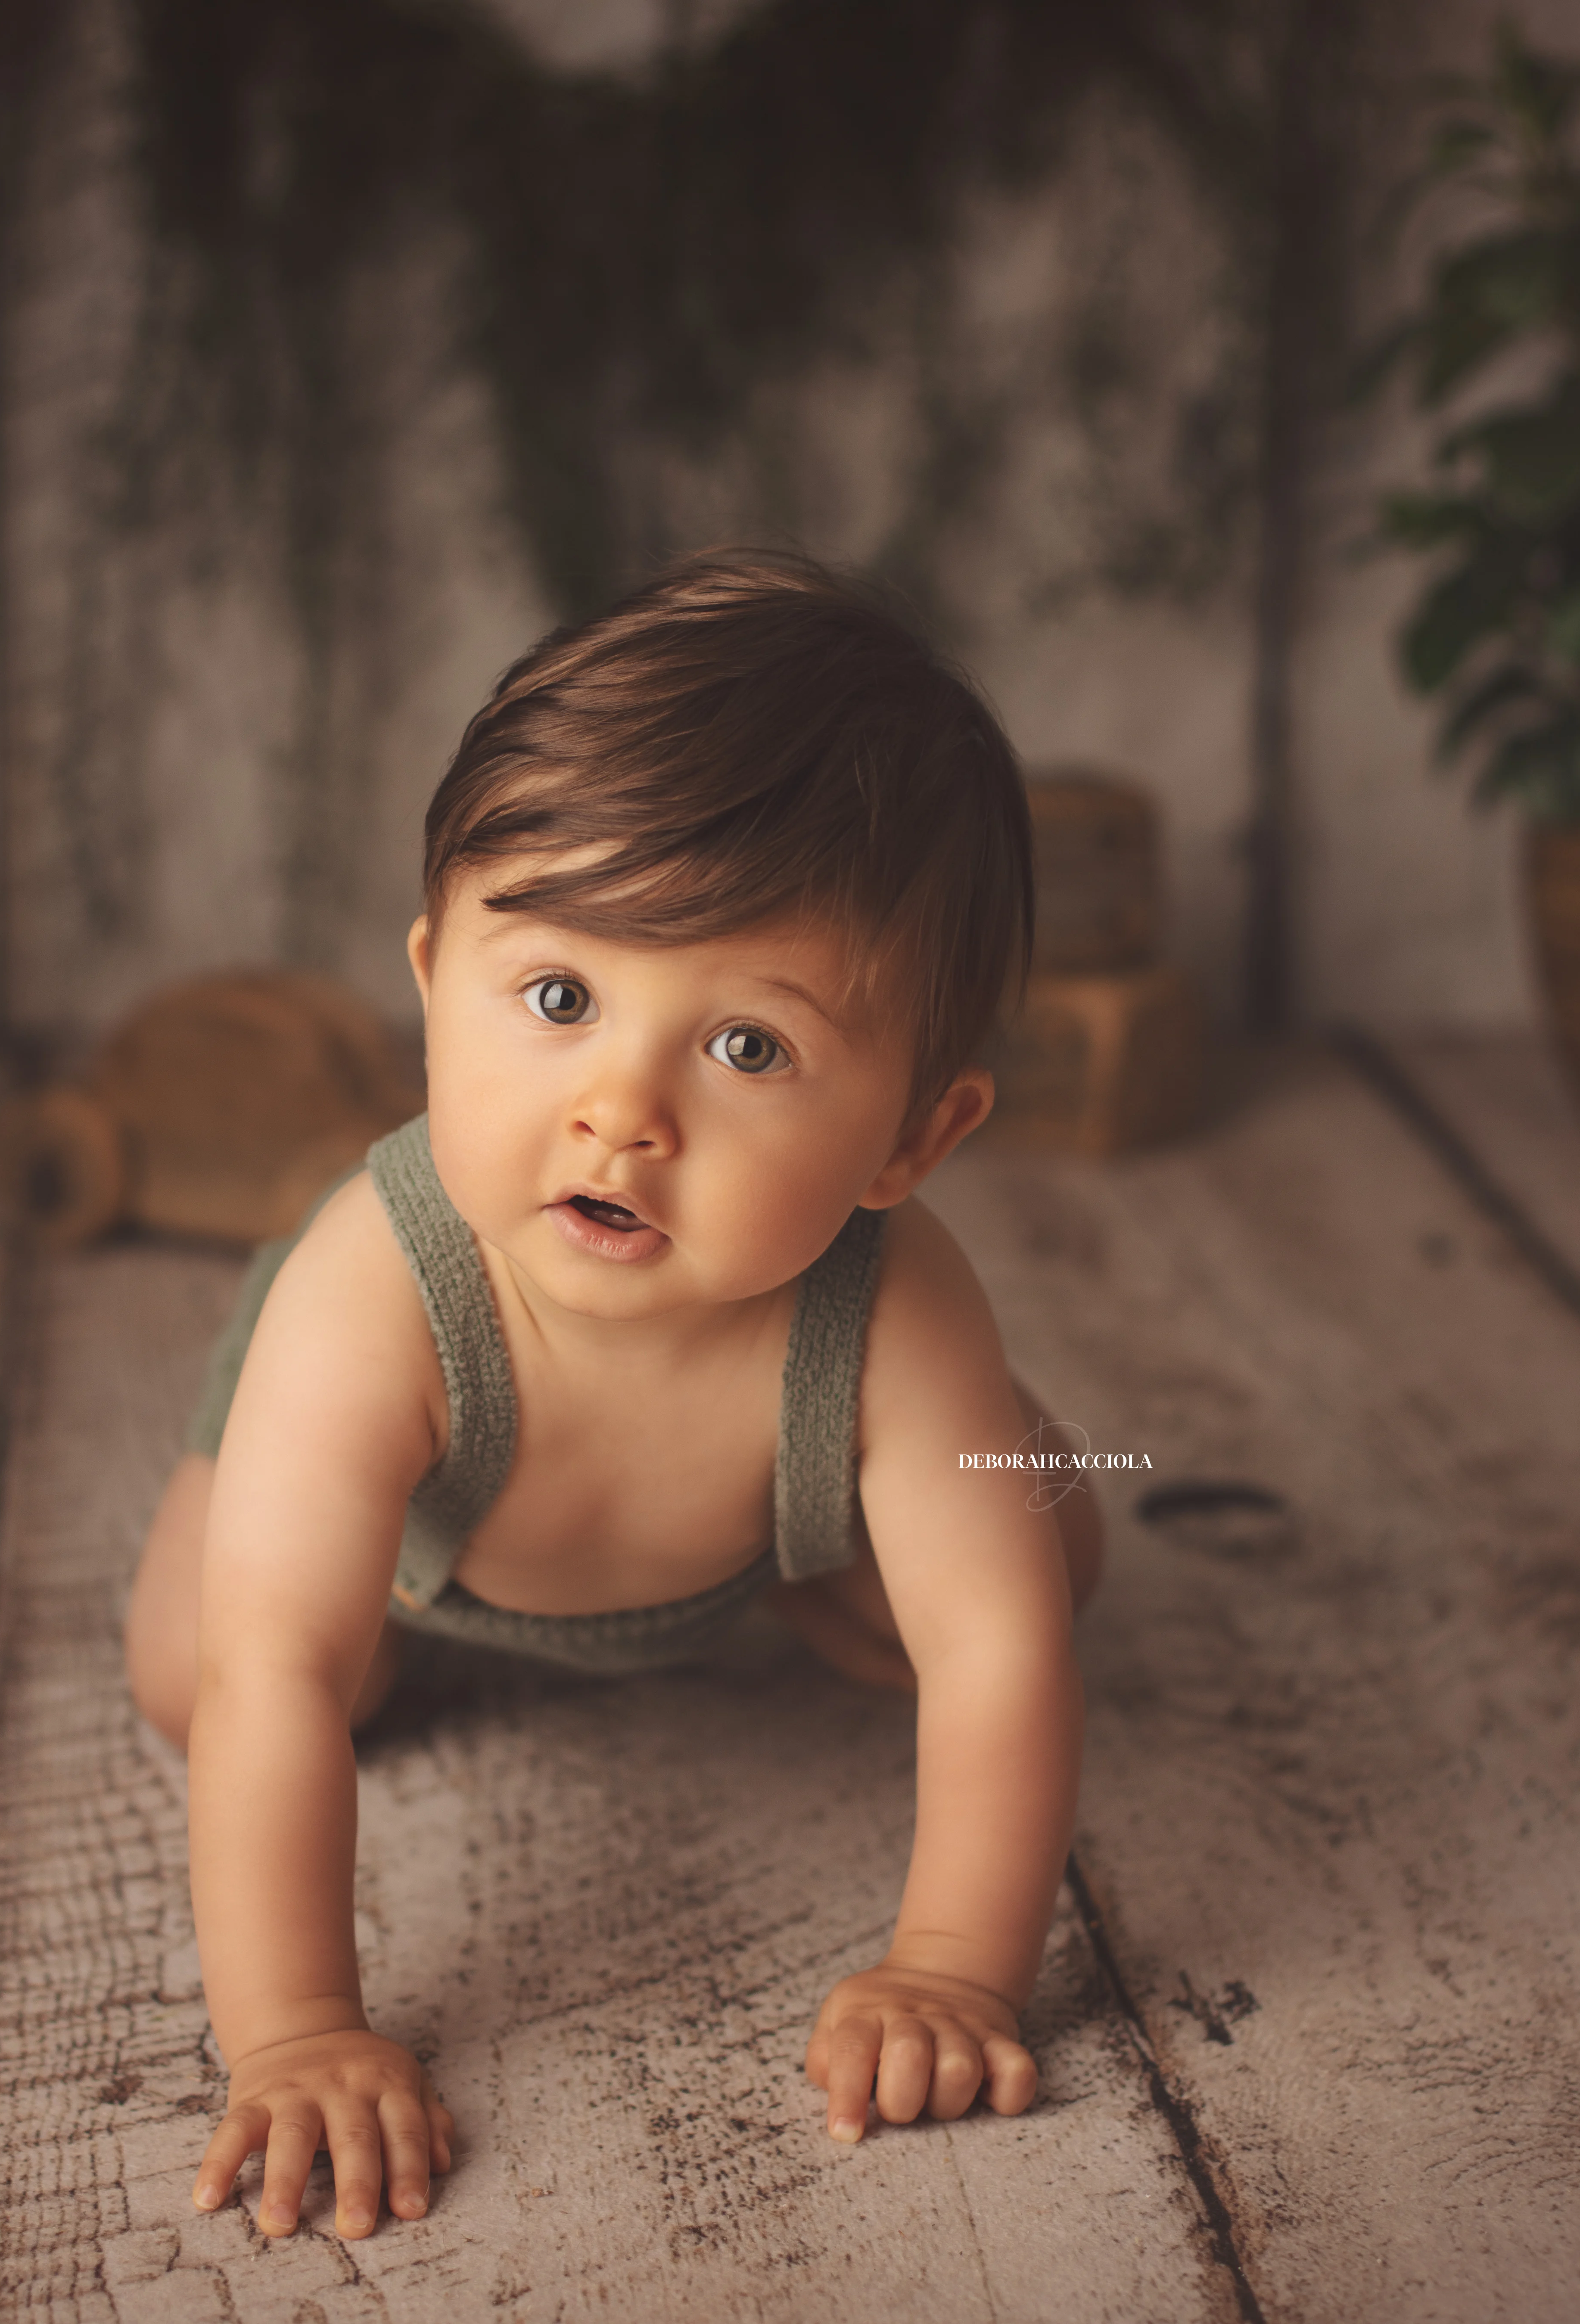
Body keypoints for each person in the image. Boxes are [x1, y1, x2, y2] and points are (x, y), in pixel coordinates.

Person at [121, 545, 1105, 2242]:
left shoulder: (896, 1298)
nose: (621, 1109)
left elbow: (1002, 1657)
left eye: (747, 1046)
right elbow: (268, 1665)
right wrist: (297, 2031)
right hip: (418, 1545)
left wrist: (953, 1966)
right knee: (211, 1669)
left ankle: (839, 1541)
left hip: (734, 1532)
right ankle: (375, 1576)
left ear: (910, 1137)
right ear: (433, 979)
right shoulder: (374, 1290)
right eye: (559, 996)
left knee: (1041, 1556)